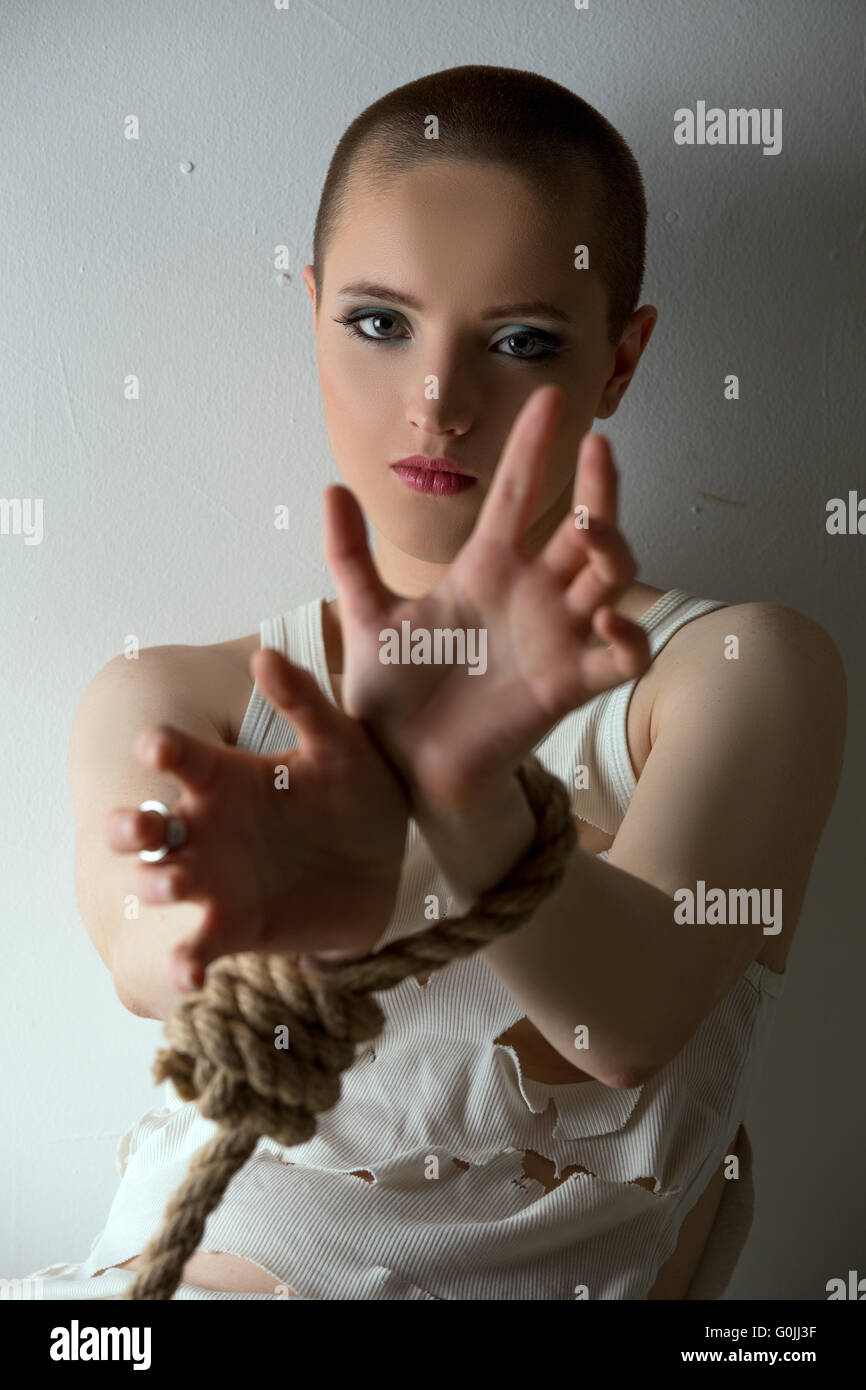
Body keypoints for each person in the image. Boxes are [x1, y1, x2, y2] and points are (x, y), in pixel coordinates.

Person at [11, 65, 845, 1301]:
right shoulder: (179, 702)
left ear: (620, 360)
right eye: (377, 321)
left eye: (518, 341)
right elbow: (148, 959)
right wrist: (252, 916)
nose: (437, 400)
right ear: (309, 316)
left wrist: (458, 795)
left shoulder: (724, 670)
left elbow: (617, 1026)